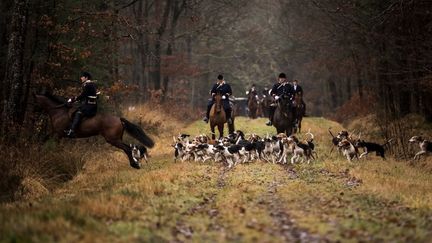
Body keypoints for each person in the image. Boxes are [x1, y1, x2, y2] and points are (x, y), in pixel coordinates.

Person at [65, 71, 98, 137]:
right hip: (92, 105)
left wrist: (73, 99)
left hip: (90, 107)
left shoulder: (87, 85)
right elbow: (95, 95)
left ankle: (72, 130)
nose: (81, 78)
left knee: (78, 112)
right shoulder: (92, 84)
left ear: (86, 78)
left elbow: (83, 95)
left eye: (82, 77)